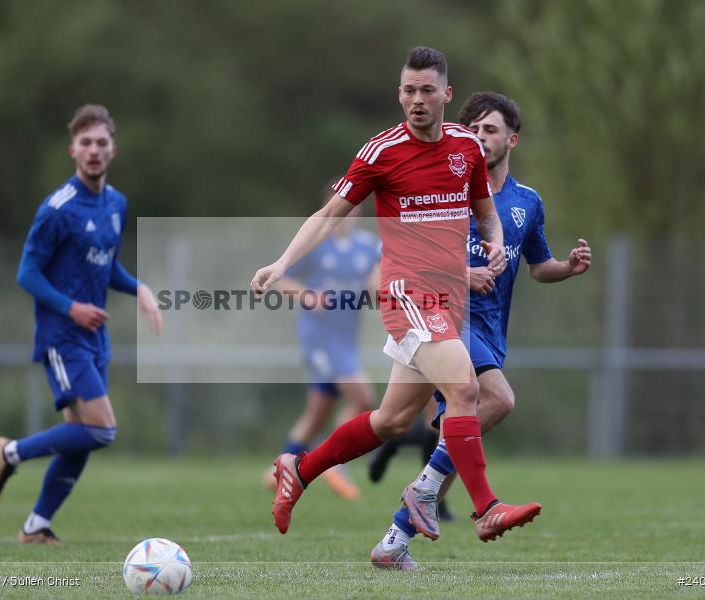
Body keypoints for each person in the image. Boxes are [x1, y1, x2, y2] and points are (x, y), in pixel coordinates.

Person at [251, 47, 541, 543]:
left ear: (447, 94)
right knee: (466, 388)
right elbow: (329, 216)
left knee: (391, 420)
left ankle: (299, 470)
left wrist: (493, 245)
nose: (417, 100)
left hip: (445, 302)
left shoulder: (465, 148)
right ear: (399, 95)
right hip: (407, 295)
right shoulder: (380, 152)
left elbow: (486, 212)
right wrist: (282, 264)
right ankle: (485, 506)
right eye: (409, 90)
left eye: (427, 90)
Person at [370, 91, 592, 570]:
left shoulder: (526, 203)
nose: (479, 137)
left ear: (512, 139)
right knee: (496, 400)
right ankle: (468, 503)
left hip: (490, 330)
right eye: (472, 129)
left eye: (490, 130)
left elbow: (537, 266)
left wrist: (566, 268)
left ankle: (394, 539)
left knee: (445, 433)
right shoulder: (446, 191)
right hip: (441, 317)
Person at [0, 104, 163, 544]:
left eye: (101, 143)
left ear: (113, 150)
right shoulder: (57, 208)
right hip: (63, 336)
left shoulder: (115, 203)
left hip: (94, 337)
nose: (94, 151)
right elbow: (27, 273)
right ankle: (8, 453)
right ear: (72, 151)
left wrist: (139, 288)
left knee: (81, 436)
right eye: (86, 143)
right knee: (102, 428)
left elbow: (106, 267)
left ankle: (36, 526)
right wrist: (71, 308)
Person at [265, 188, 381, 500]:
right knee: (364, 397)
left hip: (346, 338)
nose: (349, 210)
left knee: (318, 412)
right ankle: (331, 462)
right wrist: (308, 296)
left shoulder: (369, 247)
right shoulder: (316, 246)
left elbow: (375, 284)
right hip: (319, 336)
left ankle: (278, 469)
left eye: (354, 205)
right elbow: (282, 279)